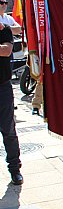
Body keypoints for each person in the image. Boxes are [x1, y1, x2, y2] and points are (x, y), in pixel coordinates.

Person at [0, 21, 22, 185]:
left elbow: (6, 51)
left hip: (3, 87)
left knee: (8, 130)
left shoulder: (4, 30)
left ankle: (15, 169)